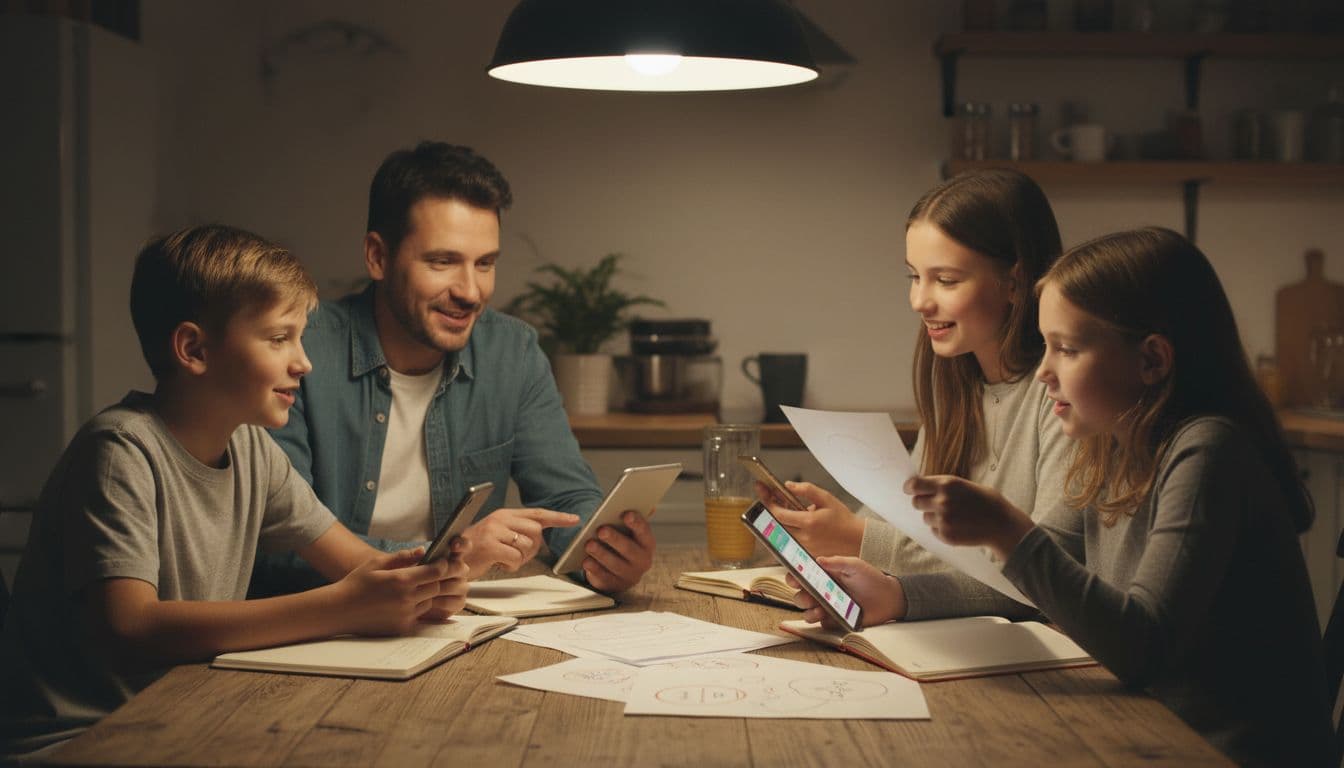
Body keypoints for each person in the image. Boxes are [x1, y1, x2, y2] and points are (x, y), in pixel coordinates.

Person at [794, 227, 1331, 766]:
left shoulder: (1208, 451)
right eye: (1045, 345)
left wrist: (1009, 532)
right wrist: (898, 594)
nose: (1044, 372)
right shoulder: (1110, 446)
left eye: (1067, 349)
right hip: (1142, 729)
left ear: (1152, 360)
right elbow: (1032, 588)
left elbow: (1144, 648)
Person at [0, 225, 470, 760]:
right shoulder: (119, 452)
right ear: (194, 349)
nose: (303, 362)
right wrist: (343, 607)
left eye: (300, 337)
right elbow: (130, 627)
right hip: (78, 741)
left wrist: (422, 584)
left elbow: (357, 563)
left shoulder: (251, 449)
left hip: (179, 718)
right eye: (279, 338)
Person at [255, 141, 654, 595]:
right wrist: (449, 556)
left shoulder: (513, 352)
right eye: (442, 262)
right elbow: (276, 542)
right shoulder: (297, 350)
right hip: (325, 620)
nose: (470, 291)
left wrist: (603, 554)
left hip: (461, 618)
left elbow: (567, 500)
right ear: (378, 257)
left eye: (485, 264)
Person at [758, 169, 1072, 585]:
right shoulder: (955, 386)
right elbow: (904, 521)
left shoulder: (1066, 398)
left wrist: (856, 538)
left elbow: (1046, 573)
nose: (919, 301)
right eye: (914, 276)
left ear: (1014, 282)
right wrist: (824, 528)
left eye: (945, 280)